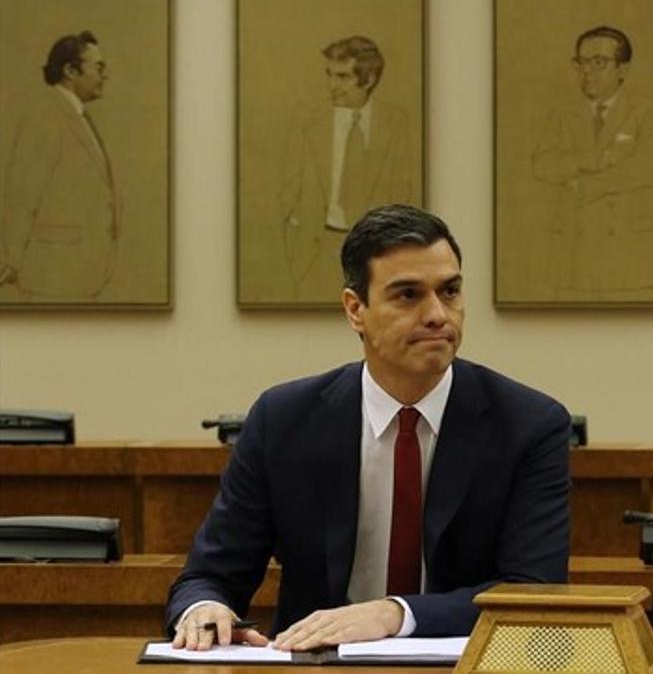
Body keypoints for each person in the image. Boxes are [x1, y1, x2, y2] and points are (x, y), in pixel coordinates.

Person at [167, 204, 570, 651]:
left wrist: (395, 613)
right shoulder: (283, 420)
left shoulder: (529, 425)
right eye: (408, 295)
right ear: (355, 309)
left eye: (450, 291)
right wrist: (204, 608)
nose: (438, 314)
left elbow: (534, 594)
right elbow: (210, 575)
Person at [279, 36, 417, 300]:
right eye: (329, 75)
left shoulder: (396, 124)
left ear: (369, 79)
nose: (332, 86)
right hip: (312, 257)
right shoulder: (307, 121)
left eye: (342, 77)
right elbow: (288, 192)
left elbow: (404, 193)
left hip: (375, 261)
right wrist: (294, 254)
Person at [532, 25, 653, 297]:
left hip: (627, 248)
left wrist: (583, 187)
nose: (586, 72)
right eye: (581, 62)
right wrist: (597, 159)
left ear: (622, 69)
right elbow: (543, 165)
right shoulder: (562, 115)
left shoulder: (648, 111)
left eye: (598, 63)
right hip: (572, 251)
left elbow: (645, 170)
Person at [1, 30, 118, 299]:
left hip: (76, 270)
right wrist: (13, 260)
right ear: (70, 71)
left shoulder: (75, 116)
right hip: (53, 274)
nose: (105, 75)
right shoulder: (46, 116)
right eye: (98, 67)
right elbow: (21, 195)